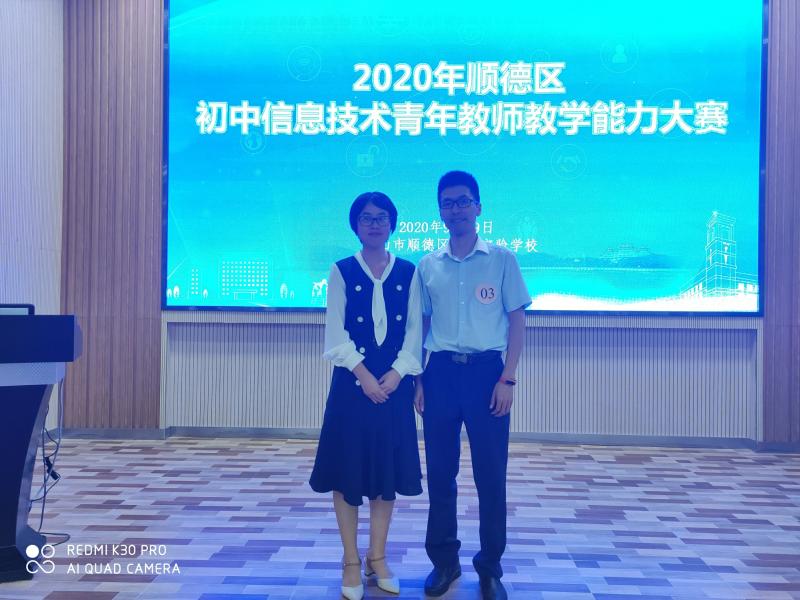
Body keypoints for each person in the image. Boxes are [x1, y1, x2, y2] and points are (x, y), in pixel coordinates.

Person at [414, 171, 530, 600]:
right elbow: (421, 326)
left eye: (464, 201)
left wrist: (508, 378)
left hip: (487, 375)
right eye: (448, 203)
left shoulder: (502, 259)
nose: (456, 209)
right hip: (441, 374)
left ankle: (490, 567)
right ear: (440, 211)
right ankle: (444, 562)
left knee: (490, 475)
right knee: (440, 473)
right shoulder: (428, 265)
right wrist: (419, 379)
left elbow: (517, 320)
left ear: (478, 207)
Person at [309, 191, 423, 600]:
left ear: (392, 223)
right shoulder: (341, 270)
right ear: (356, 225)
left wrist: (397, 373)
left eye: (381, 217)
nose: (375, 224)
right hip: (351, 388)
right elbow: (335, 333)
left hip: (394, 386)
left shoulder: (409, 271)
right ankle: (350, 561)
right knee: (347, 472)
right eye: (366, 218)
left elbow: (415, 331)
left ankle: (378, 556)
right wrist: (364, 375)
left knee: (384, 473)